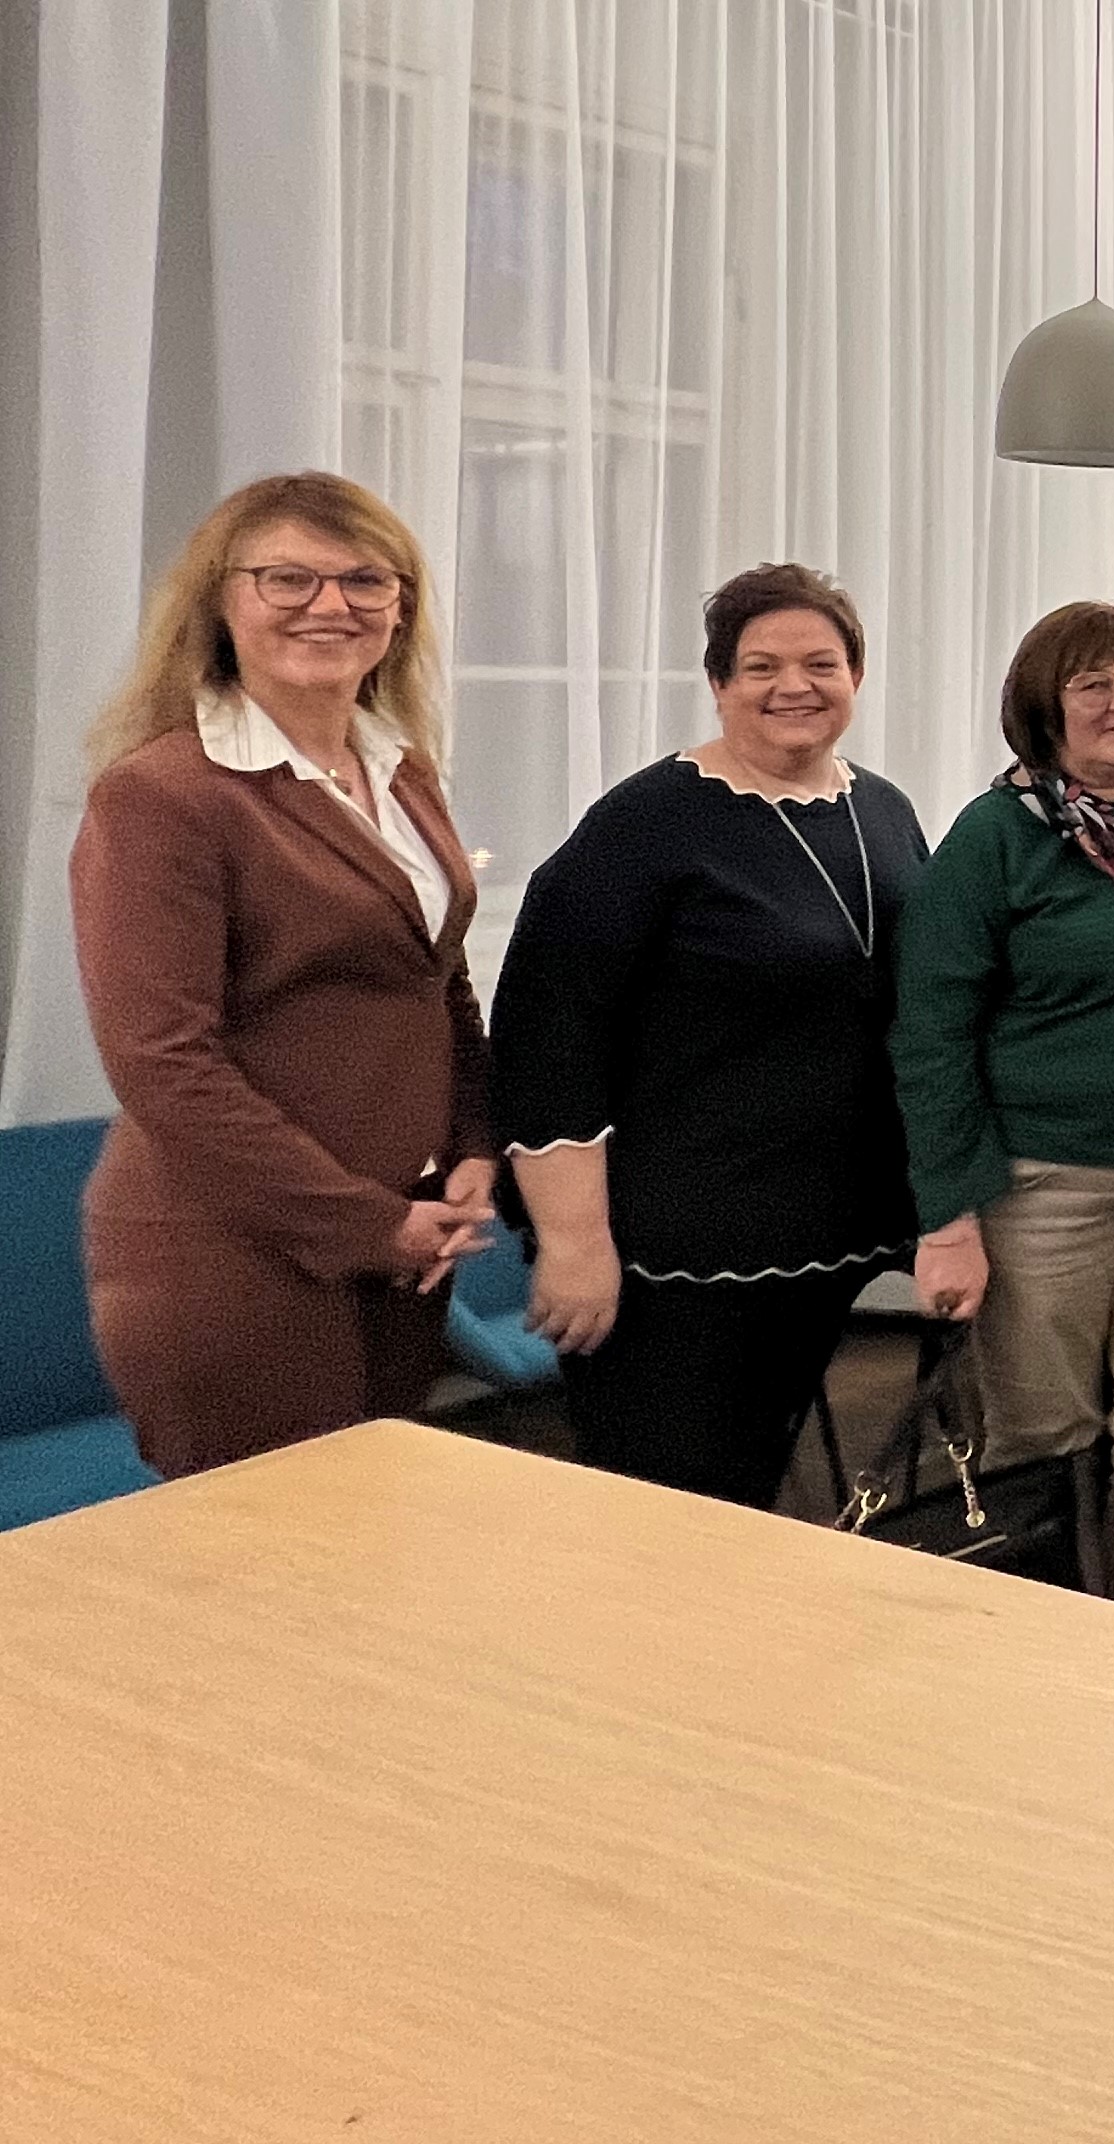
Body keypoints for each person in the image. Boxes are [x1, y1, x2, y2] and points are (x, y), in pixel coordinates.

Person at [70, 473, 497, 1477]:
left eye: (364, 579)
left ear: (401, 606)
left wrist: (473, 1142)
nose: (330, 604)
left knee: (370, 1528)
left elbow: (438, 979)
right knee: (262, 1556)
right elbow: (163, 1062)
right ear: (220, 602)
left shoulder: (399, 769)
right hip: (230, 1254)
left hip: (404, 1238)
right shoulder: (163, 795)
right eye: (288, 578)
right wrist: (370, 1224)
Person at [492, 564, 932, 1506]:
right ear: (719, 682)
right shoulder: (644, 825)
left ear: (856, 676)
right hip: (669, 1254)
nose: (793, 686)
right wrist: (572, 1241)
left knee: (756, 1497)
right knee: (663, 1506)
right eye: (761, 666)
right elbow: (548, 1034)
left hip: (828, 1235)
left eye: (821, 664)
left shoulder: (884, 811)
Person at [890, 602, 1114, 1612]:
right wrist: (948, 1220)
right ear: (1046, 708)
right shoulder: (997, 835)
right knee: (1044, 1451)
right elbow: (929, 1034)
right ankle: (1040, 1648)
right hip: (1042, 1188)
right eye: (1093, 684)